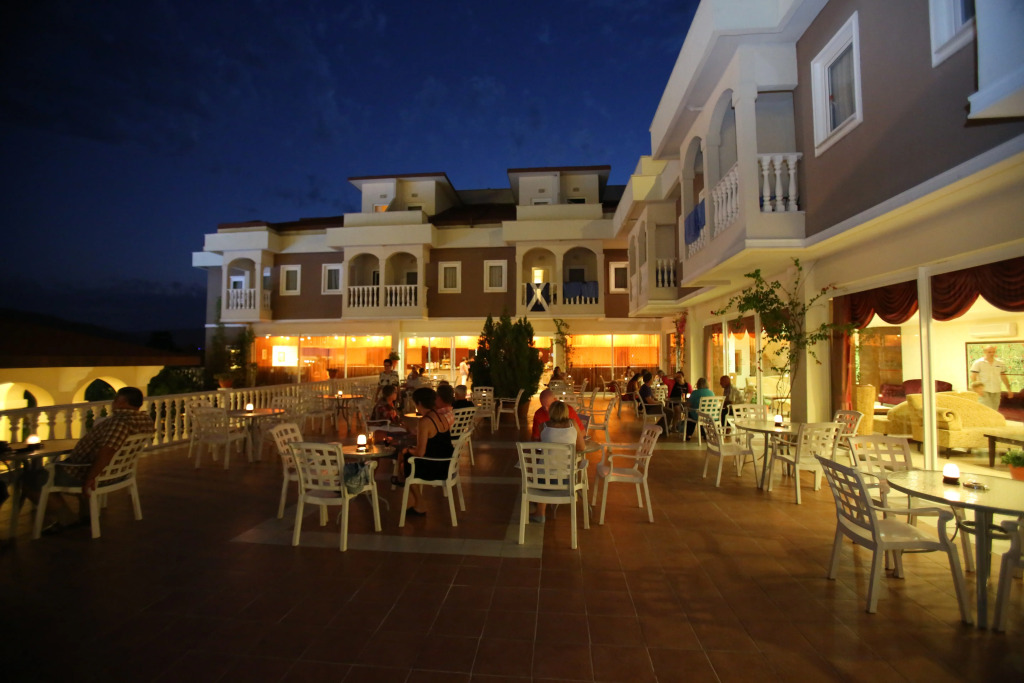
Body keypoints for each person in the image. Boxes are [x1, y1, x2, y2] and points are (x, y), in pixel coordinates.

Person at [27, 386, 154, 534]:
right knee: (51, 472)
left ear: (122, 401)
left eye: (115, 399)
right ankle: (86, 516)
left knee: (31, 480)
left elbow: (108, 451)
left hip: (85, 473)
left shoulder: (120, 423)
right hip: (119, 473)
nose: (113, 403)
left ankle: (66, 518)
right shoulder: (145, 419)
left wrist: (91, 478)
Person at [392, 387, 454, 516]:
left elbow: (420, 453)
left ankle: (419, 502)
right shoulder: (441, 416)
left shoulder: (425, 422)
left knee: (405, 461)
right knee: (406, 458)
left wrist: (407, 450)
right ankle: (404, 484)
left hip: (436, 467)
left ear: (419, 403)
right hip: (447, 463)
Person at [533, 400, 585, 523]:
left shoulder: (543, 426)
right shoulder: (572, 424)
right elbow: (581, 447)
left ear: (551, 412)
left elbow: (541, 446)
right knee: (552, 468)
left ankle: (540, 512)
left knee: (543, 467)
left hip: (544, 480)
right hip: (567, 479)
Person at [969, 345, 1011, 411]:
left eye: (993, 352)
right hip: (983, 390)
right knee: (986, 410)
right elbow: (973, 376)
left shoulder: (1000, 363)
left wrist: (1009, 389)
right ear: (985, 352)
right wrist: (977, 389)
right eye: (989, 352)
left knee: (994, 410)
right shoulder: (978, 363)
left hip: (996, 390)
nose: (992, 354)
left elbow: (1003, 376)